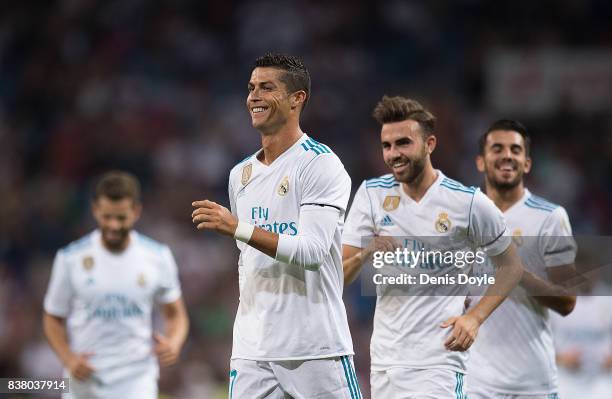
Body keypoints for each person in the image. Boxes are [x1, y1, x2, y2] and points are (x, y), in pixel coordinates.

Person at [191, 53, 360, 398]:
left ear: (297, 99)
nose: (253, 96)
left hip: (315, 349)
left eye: (267, 88)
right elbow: (250, 259)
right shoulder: (240, 175)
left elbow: (312, 251)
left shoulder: (319, 165)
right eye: (251, 87)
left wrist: (238, 226)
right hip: (253, 350)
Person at [341, 96, 524, 398]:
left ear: (430, 144)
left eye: (403, 143)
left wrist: (474, 318)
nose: (393, 154)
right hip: (386, 361)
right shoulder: (371, 195)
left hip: (438, 360)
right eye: (386, 146)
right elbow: (340, 274)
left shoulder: (468, 203)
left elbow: (512, 266)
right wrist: (367, 252)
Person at [43, 171, 189, 399]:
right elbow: (53, 317)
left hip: (136, 379)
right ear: (95, 211)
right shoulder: (70, 258)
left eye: (121, 218)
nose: (113, 225)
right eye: (107, 217)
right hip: (84, 379)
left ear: (136, 212)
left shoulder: (157, 256)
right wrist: (69, 359)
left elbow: (176, 315)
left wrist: (174, 343)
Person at [466, 119, 577, 399]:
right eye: (497, 148)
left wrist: (515, 272)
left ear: (526, 163)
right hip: (476, 381)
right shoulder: (461, 217)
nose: (507, 155)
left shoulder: (550, 217)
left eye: (515, 150)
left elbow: (567, 301)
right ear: (481, 161)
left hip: (533, 383)